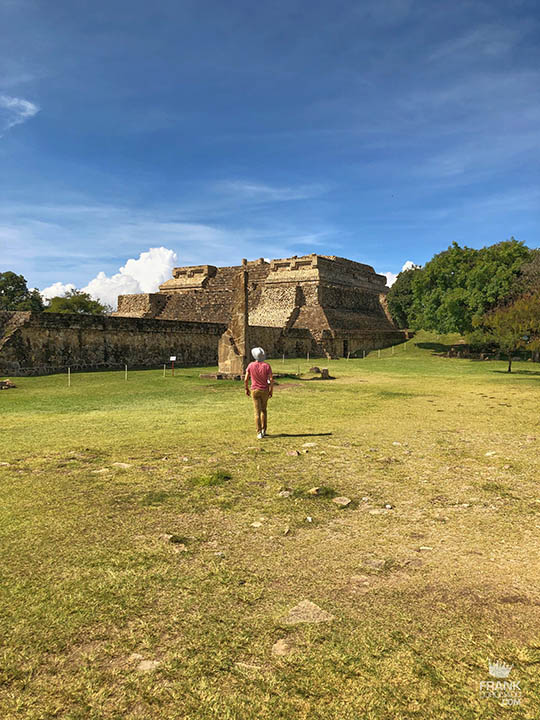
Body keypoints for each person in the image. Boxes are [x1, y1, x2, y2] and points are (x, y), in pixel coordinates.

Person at [244, 347, 274, 439]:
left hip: (254, 390)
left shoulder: (250, 365)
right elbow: (271, 379)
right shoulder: (267, 366)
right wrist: (271, 390)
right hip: (264, 390)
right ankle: (264, 430)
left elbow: (246, 379)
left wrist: (246, 388)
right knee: (263, 411)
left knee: (257, 412)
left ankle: (259, 432)